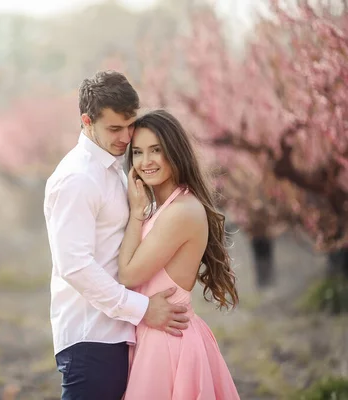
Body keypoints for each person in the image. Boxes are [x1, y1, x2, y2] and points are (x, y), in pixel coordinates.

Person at [43, 71, 190, 400]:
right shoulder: (77, 179)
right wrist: (142, 308)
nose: (126, 137)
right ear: (86, 121)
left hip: (117, 333)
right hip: (91, 339)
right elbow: (75, 266)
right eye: (114, 128)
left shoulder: (111, 169)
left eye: (130, 125)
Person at [119, 109, 241, 399]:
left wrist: (136, 214)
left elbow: (127, 274)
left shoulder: (181, 212)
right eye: (137, 152)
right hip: (154, 332)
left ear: (174, 152)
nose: (145, 161)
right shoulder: (162, 209)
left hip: (168, 343)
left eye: (155, 151)